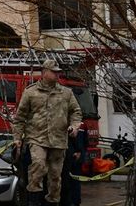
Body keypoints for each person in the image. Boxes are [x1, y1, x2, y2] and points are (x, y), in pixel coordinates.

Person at [12, 60, 83, 206]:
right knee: (38, 166)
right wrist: (17, 138)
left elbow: (76, 112)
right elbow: (20, 118)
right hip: (37, 138)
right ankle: (33, 201)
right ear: (44, 72)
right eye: (54, 71)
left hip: (58, 140)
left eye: (58, 71)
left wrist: (74, 126)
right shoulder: (31, 92)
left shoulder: (66, 93)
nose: (57, 74)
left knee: (56, 175)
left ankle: (53, 202)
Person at [60, 123, 88, 206]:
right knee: (75, 181)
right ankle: (76, 201)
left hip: (69, 156)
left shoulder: (67, 123)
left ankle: (69, 201)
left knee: (66, 181)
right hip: (77, 157)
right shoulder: (83, 125)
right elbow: (86, 142)